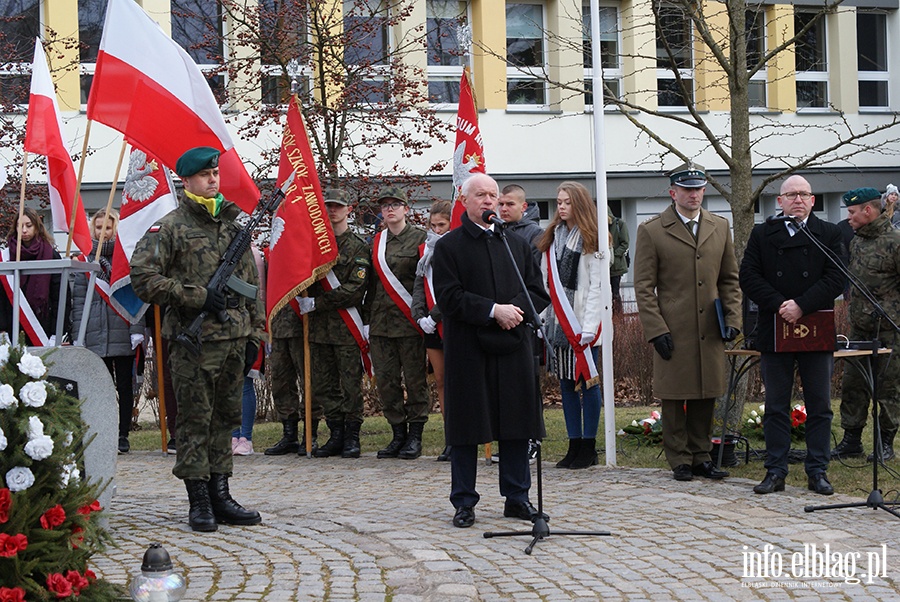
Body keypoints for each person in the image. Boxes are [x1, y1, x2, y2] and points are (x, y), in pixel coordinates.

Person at [130, 146, 264, 531]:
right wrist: (197, 296)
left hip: (234, 340)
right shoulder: (169, 227)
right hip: (194, 343)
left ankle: (221, 494)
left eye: (216, 174)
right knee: (194, 421)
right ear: (185, 181)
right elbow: (144, 279)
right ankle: (199, 500)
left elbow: (251, 288)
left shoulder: (233, 227)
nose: (213, 180)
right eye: (205, 175)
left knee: (225, 419)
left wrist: (255, 332)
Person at [433, 172, 550, 528]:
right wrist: (492, 311)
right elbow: (449, 298)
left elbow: (537, 291)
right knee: (468, 425)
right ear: (465, 202)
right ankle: (464, 502)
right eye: (481, 195)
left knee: (516, 423)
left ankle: (517, 498)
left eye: (494, 196)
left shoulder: (515, 245)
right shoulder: (449, 246)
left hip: (513, 346)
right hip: (469, 349)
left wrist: (514, 310)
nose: (489, 202)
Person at [634, 162, 741, 482]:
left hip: (710, 327)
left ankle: (701, 456)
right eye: (687, 189)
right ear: (673, 192)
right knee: (674, 395)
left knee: (706, 394)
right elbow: (643, 286)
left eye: (698, 188)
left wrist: (733, 318)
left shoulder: (720, 226)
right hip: (673, 328)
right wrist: (656, 330)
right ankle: (679, 458)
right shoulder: (652, 230)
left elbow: (729, 279)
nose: (693, 195)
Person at [740, 174, 846, 495]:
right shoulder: (762, 234)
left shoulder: (827, 233)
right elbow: (748, 276)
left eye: (804, 194)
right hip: (775, 327)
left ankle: (817, 470)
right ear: (779, 202)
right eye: (791, 195)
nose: (797, 200)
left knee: (819, 404)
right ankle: (775, 470)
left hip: (815, 326)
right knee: (775, 404)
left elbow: (837, 277)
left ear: (813, 201)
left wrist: (801, 305)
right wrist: (780, 305)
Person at [297, 189, 371, 459]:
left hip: (345, 328)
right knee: (323, 385)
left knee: (350, 384)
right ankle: (336, 433)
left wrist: (318, 302)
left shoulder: (358, 246)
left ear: (349, 209)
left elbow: (355, 289)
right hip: (318, 329)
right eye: (328, 206)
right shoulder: (315, 246)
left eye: (338, 206)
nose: (333, 211)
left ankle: (352, 436)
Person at [536, 182, 603, 469]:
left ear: (580, 204)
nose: (561, 207)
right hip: (558, 323)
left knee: (588, 383)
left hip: (583, 325)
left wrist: (588, 326)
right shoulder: (552, 237)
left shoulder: (594, 239)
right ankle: (573, 444)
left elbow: (597, 287)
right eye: (559, 202)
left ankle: (589, 446)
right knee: (565, 385)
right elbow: (545, 283)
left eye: (567, 202)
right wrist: (544, 317)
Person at [832, 187, 900, 463]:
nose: (848, 218)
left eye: (851, 212)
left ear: (868, 211)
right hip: (859, 328)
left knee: (889, 388)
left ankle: (885, 443)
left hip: (889, 330)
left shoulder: (895, 241)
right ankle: (851, 441)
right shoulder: (857, 242)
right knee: (853, 386)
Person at [70, 209, 144, 454]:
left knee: (124, 387)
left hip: (121, 330)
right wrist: (77, 333)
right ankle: (102, 432)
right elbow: (79, 301)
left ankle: (122, 435)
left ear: (116, 230)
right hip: (93, 332)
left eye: (108, 228)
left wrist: (136, 330)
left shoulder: (126, 260)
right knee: (99, 387)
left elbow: (135, 299)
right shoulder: (84, 261)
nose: (103, 232)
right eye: (98, 228)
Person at [367, 187, 429, 459]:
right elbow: (369, 285)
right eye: (385, 206)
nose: (389, 209)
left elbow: (426, 282)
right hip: (381, 324)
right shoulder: (376, 242)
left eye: (395, 204)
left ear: (406, 208)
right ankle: (397, 434)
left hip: (409, 323)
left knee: (415, 380)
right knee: (386, 382)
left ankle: (415, 435)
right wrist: (366, 320)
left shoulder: (421, 239)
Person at [497, 184, 544, 464]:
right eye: (500, 204)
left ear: (523, 207)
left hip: (523, 319)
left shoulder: (534, 235)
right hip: (498, 319)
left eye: (509, 204)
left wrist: (515, 309)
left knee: (527, 386)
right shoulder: (495, 231)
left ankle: (531, 439)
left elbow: (533, 282)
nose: (503, 209)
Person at [412, 200, 452, 460]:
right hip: (429, 323)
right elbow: (418, 285)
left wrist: (435, 313)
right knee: (440, 381)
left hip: (450, 319)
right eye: (433, 225)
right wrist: (420, 316)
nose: (437, 230)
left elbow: (454, 288)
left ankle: (464, 434)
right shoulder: (424, 250)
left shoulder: (457, 247)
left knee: (457, 380)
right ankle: (450, 437)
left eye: (442, 225)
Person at [0, 207, 70, 346]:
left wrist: (58, 332)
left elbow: (61, 297)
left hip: (44, 327)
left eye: (28, 225)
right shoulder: (6, 257)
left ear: (37, 227)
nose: (24, 230)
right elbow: (1, 297)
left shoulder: (51, 255)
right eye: (20, 226)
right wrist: (2, 330)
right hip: (12, 326)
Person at [265, 294, 323, 456]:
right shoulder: (274, 266)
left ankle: (310, 434)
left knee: (309, 382)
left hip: (302, 325)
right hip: (277, 326)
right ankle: (289, 435)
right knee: (280, 382)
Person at [233, 245, 267, 456]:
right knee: (227, 384)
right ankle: (232, 434)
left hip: (246, 324)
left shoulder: (251, 253)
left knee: (245, 382)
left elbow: (259, 294)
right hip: (221, 324)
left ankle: (246, 436)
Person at [609, 207, 629, 314]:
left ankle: (617, 317)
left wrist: (613, 255)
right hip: (604, 267)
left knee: (615, 293)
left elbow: (625, 243)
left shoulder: (619, 224)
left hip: (616, 267)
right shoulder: (598, 225)